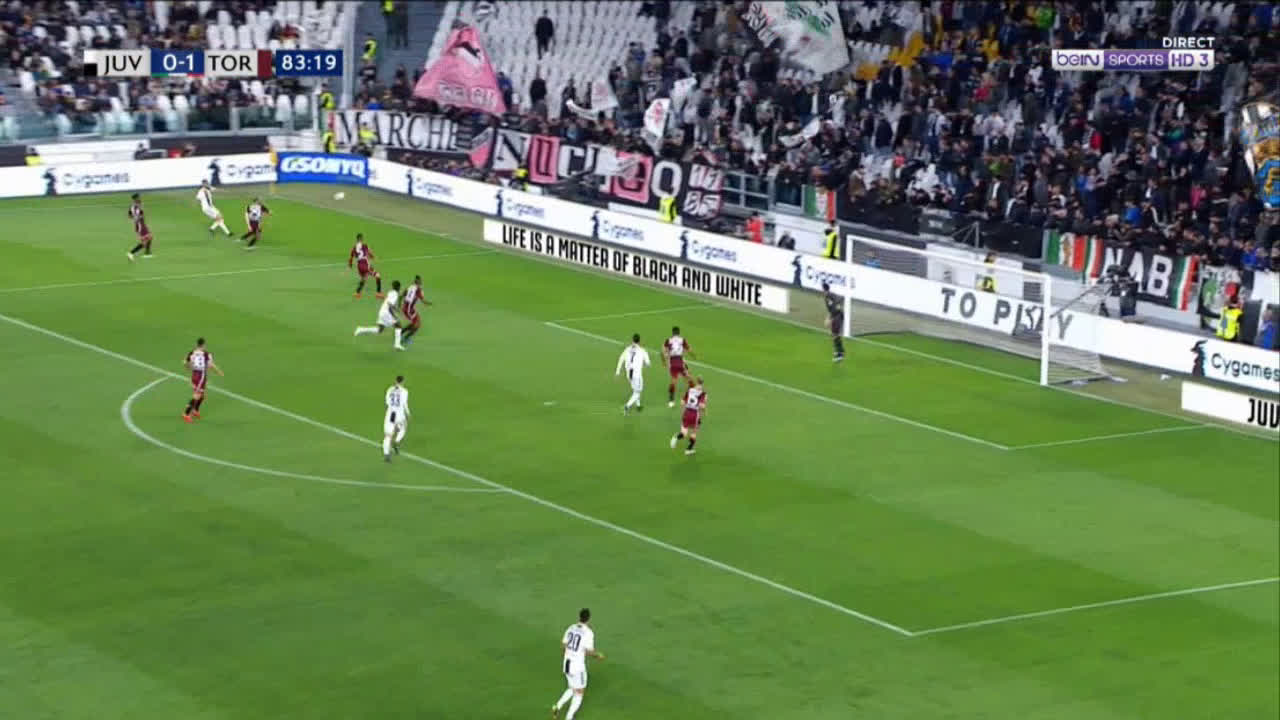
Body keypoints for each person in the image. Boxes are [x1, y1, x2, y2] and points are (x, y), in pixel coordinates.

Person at [552, 608, 602, 720]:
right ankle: (569, 717)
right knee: (579, 692)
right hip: (577, 667)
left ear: (579, 617)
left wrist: (569, 655)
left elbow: (563, 645)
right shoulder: (588, 632)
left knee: (572, 687)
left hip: (567, 663)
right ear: (589, 618)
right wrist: (598, 655)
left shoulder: (571, 628)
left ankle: (557, 706)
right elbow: (589, 651)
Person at [354, 280, 404, 350]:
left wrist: (396, 310)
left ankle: (361, 329)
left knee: (379, 330)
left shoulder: (390, 292)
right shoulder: (395, 294)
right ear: (398, 287)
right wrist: (395, 315)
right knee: (399, 326)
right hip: (386, 313)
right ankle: (397, 345)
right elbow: (390, 305)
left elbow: (388, 302)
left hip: (382, 311)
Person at [182, 338, 223, 423]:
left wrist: (189, 368)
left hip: (195, 375)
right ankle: (186, 414)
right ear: (203, 345)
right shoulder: (206, 354)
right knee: (197, 395)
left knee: (202, 395)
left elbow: (185, 363)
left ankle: (195, 410)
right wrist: (218, 371)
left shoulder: (192, 352)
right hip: (201, 376)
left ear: (197, 345)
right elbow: (210, 365)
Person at [669, 376, 707, 455]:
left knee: (684, 433)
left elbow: (682, 402)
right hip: (695, 414)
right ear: (702, 383)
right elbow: (702, 406)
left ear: (696, 382)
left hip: (686, 412)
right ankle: (688, 449)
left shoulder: (690, 390)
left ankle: (676, 437)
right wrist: (704, 411)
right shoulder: (703, 393)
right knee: (694, 432)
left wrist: (685, 409)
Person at [615, 333, 651, 414]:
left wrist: (617, 372)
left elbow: (621, 359)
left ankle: (638, 406)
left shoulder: (627, 349)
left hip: (629, 374)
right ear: (640, 341)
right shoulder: (642, 351)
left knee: (636, 389)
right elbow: (648, 363)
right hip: (636, 375)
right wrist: (644, 364)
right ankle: (627, 406)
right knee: (637, 392)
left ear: (632, 340)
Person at [662, 325, 694, 406]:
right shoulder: (682, 340)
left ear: (672, 333)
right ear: (679, 333)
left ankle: (671, 400)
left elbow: (663, 351)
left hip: (673, 362)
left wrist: (664, 361)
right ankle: (692, 393)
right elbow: (689, 349)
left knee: (674, 381)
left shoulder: (668, 340)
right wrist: (693, 355)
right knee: (688, 377)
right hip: (680, 361)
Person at [348, 233, 384, 298]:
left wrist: (350, 265)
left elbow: (351, 258)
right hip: (365, 264)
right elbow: (370, 254)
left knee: (364, 278)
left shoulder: (353, 248)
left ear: (357, 239)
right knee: (377, 275)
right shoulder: (365, 245)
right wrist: (374, 257)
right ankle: (378, 293)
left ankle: (357, 293)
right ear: (361, 238)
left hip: (359, 265)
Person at [382, 375, 409, 462]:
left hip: (390, 414)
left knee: (388, 435)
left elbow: (387, 402)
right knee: (403, 428)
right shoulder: (404, 391)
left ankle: (386, 454)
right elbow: (404, 404)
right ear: (403, 382)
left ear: (395, 381)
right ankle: (396, 442)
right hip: (399, 414)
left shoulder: (390, 389)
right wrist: (408, 413)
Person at [399, 275, 431, 348]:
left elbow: (401, 296)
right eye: (420, 281)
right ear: (418, 282)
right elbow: (423, 301)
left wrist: (399, 305)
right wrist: (429, 303)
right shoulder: (418, 290)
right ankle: (406, 338)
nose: (421, 282)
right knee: (417, 325)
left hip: (408, 308)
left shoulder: (410, 287)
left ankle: (400, 332)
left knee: (415, 323)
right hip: (409, 310)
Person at [126, 193, 153, 261]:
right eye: (138, 197)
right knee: (144, 242)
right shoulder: (137, 206)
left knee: (149, 237)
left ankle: (147, 253)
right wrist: (137, 218)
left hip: (140, 224)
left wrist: (134, 218)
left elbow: (129, 216)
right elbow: (141, 215)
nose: (139, 198)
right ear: (135, 199)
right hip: (140, 225)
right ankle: (131, 253)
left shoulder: (133, 206)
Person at [823, 282, 845, 362]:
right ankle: (839, 350)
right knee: (834, 334)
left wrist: (828, 319)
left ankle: (840, 354)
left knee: (835, 334)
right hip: (838, 315)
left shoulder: (827, 297)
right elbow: (841, 299)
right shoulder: (832, 294)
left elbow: (833, 308)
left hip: (837, 316)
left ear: (823, 289)